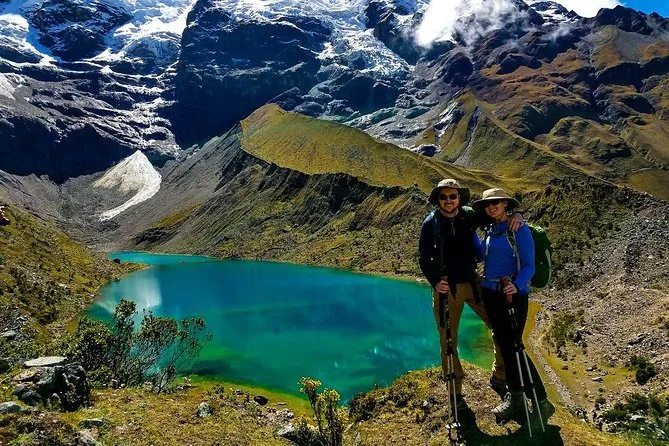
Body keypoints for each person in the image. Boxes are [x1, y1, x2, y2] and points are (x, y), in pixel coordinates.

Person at [418, 179, 523, 405]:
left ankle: (500, 376)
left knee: (500, 327)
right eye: (444, 197)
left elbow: (496, 214)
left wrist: (516, 214)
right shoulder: (430, 223)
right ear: (438, 200)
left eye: (452, 196)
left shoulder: (469, 216)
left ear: (459, 198)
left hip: (474, 283)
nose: (448, 201)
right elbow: (423, 258)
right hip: (448, 288)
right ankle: (455, 389)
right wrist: (435, 281)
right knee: (448, 340)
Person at [472, 188, 554, 421]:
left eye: (496, 203)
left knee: (515, 348)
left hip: (512, 296)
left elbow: (529, 265)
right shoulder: (491, 230)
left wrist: (516, 285)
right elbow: (481, 255)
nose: (491, 207)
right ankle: (516, 397)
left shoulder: (518, 229)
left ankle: (541, 401)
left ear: (506, 204)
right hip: (491, 293)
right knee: (506, 346)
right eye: (488, 204)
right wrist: (469, 231)